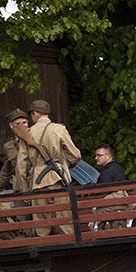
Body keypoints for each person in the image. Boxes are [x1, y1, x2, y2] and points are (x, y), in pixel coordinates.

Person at [16, 100, 81, 237]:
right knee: (65, 222)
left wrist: (25, 190)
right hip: (58, 179)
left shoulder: (27, 133)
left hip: (37, 182)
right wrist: (63, 165)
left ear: (35, 114)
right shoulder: (59, 129)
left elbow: (21, 166)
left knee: (42, 227)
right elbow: (75, 155)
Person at [92, 145, 136, 230]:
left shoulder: (107, 172)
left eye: (99, 155)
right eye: (96, 155)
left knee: (96, 210)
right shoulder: (116, 167)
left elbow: (102, 193)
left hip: (114, 205)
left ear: (108, 156)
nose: (96, 158)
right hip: (122, 204)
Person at [0, 108, 30, 195]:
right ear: (11, 126)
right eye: (18, 124)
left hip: (38, 184)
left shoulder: (37, 138)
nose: (22, 126)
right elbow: (6, 170)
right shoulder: (9, 146)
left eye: (24, 123)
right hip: (20, 187)